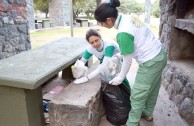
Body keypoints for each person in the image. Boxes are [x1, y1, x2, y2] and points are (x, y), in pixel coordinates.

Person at [94, 0, 167, 126]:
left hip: (150, 61)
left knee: (137, 95)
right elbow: (133, 45)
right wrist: (119, 55)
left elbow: (128, 61)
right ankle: (148, 113)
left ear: (109, 20)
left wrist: (120, 77)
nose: (101, 25)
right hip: (160, 54)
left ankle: (132, 123)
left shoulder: (122, 33)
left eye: (101, 23)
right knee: (153, 88)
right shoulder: (127, 17)